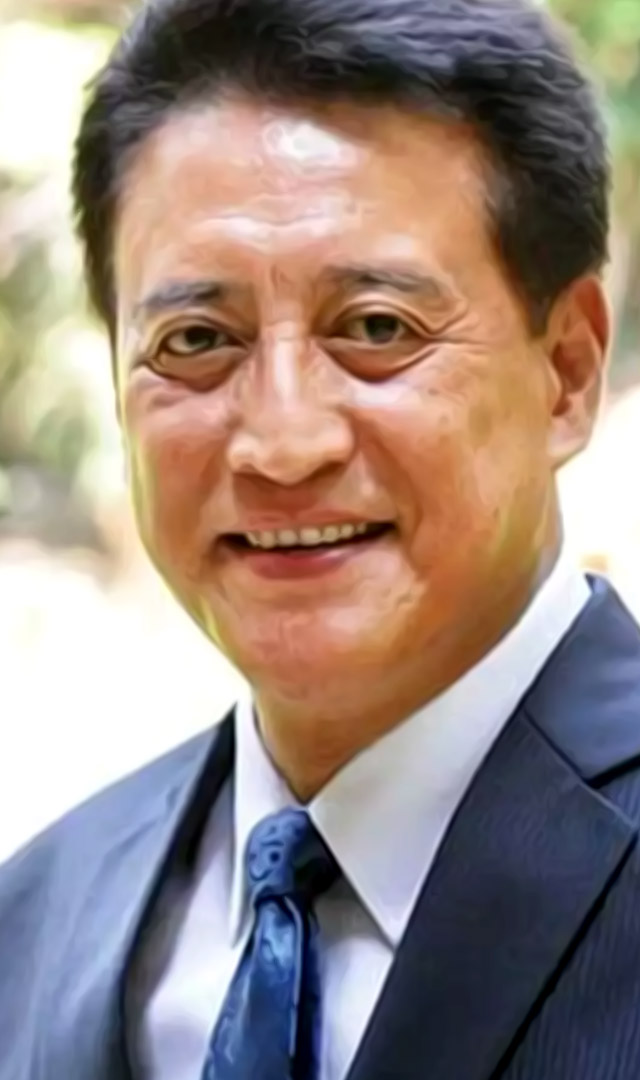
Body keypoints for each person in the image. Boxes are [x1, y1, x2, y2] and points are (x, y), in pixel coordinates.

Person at [2, 0, 640, 1076]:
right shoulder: (33, 921)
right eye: (196, 341)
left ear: (567, 372)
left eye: (376, 328)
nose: (282, 441)